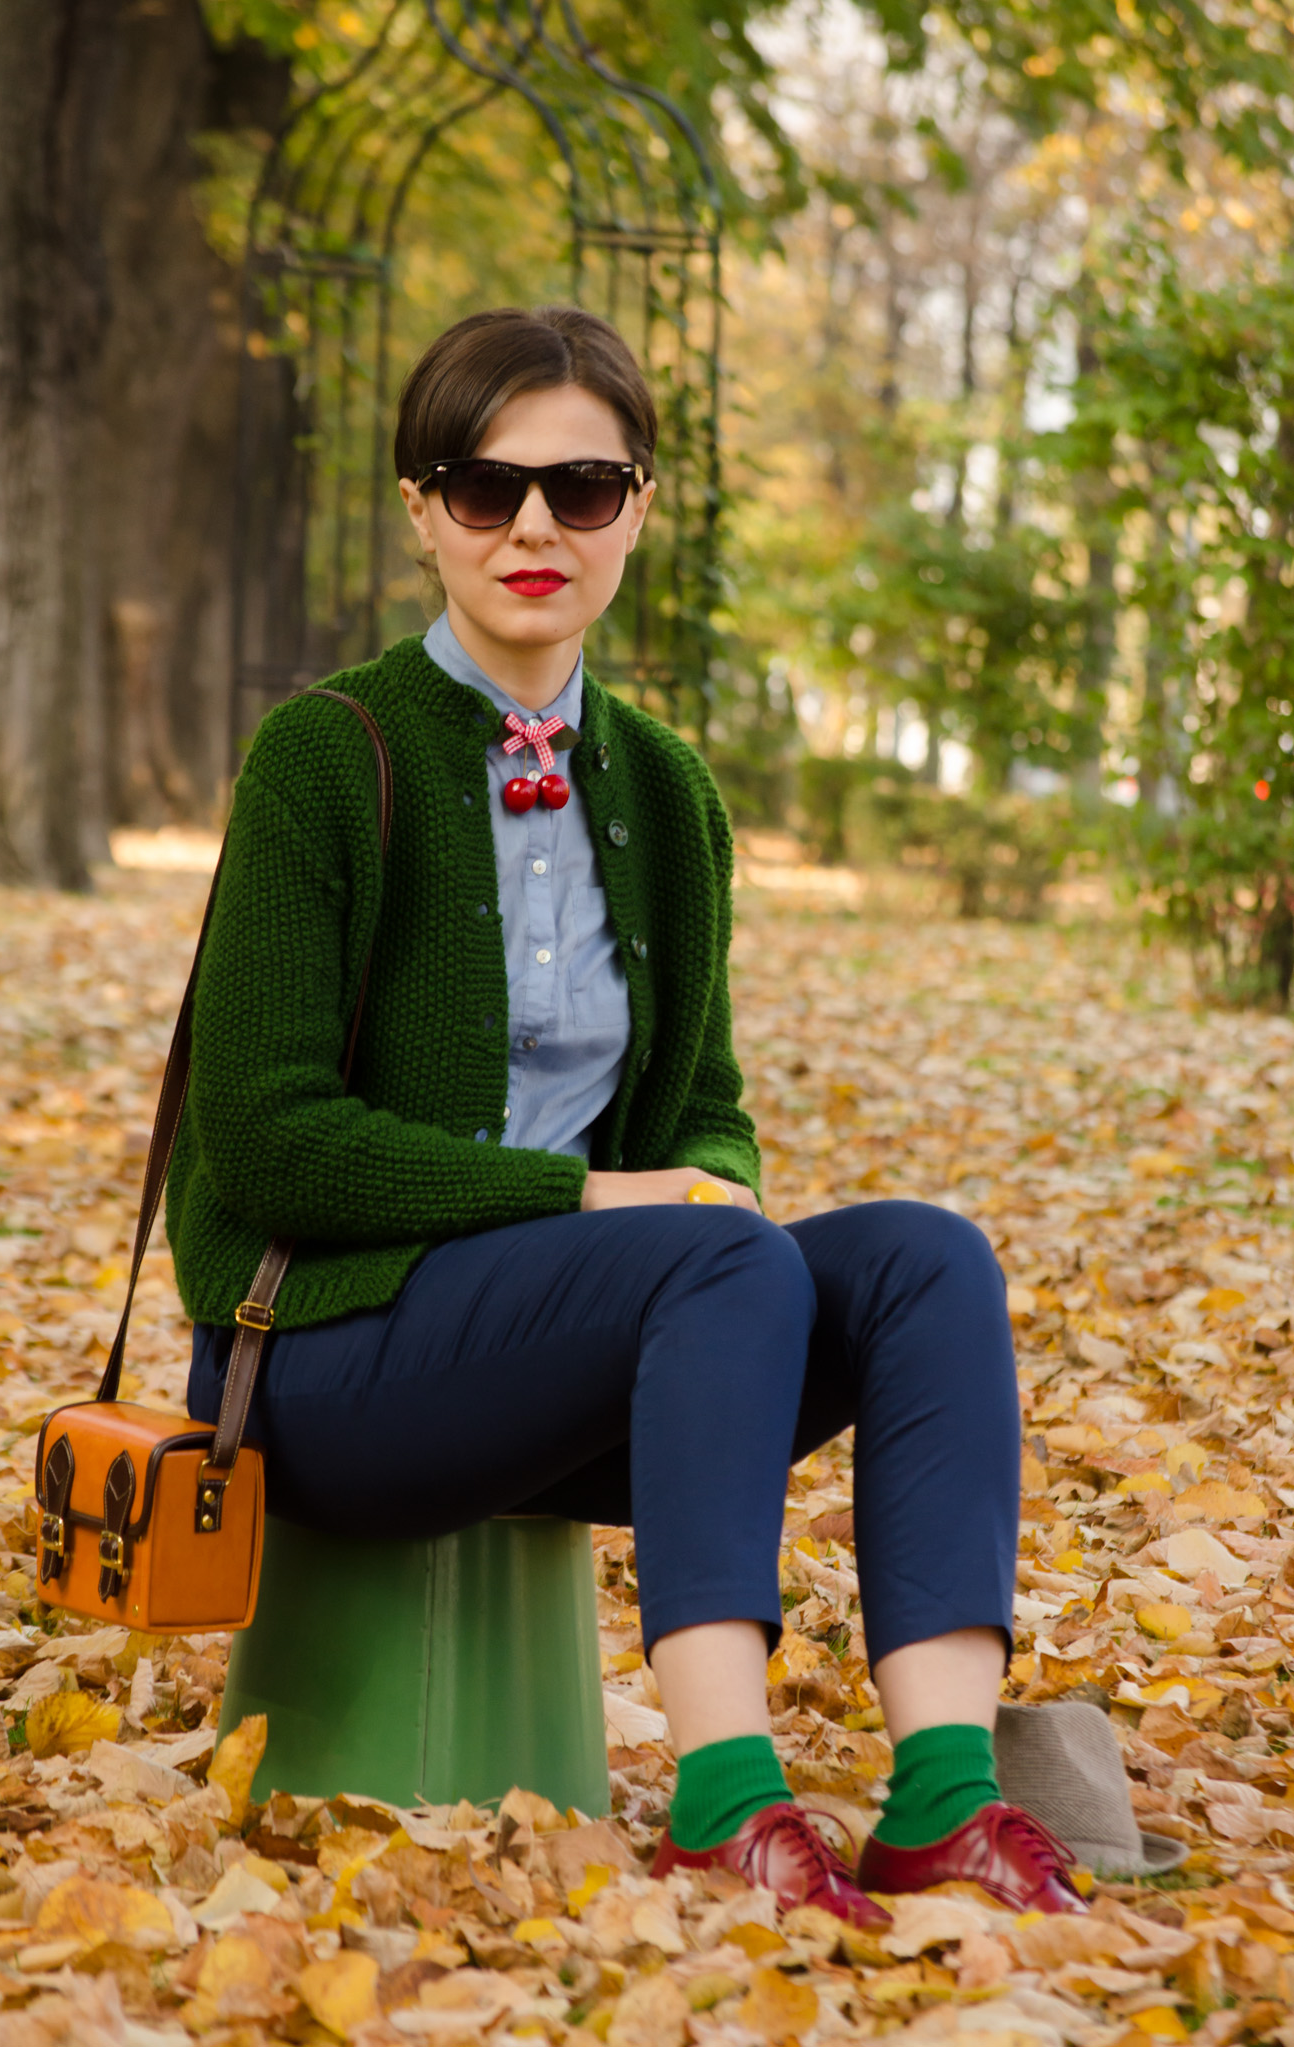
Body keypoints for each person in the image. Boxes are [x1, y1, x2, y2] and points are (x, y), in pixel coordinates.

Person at [173, 304, 1084, 1922]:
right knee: (709, 1262)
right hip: (325, 1367)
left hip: (589, 1362)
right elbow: (260, 1139)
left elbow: (707, 1110)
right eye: (484, 486)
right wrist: (593, 1206)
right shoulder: (328, 758)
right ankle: (726, 1798)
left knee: (924, 1261)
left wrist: (707, 1186)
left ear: (636, 510)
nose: (534, 525)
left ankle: (944, 1795)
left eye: (582, 489)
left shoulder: (669, 794)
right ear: (422, 509)